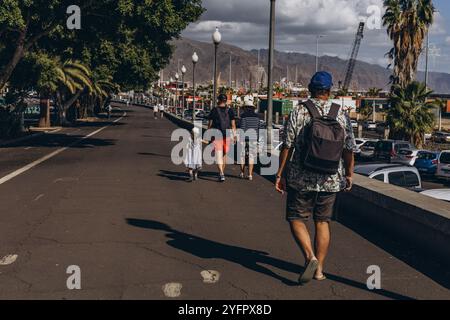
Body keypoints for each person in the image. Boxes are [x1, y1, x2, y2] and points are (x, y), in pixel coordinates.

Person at [275, 71, 356, 285]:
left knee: (296, 218)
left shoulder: (300, 111)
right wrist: (349, 173)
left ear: (310, 89)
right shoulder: (341, 114)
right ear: (329, 90)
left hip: (301, 177)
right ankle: (319, 270)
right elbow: (349, 149)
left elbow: (287, 145)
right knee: (322, 222)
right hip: (330, 178)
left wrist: (280, 173)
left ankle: (309, 257)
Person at [207, 94, 237, 182]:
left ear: (218, 100)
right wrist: (234, 135)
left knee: (218, 155)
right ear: (226, 100)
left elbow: (210, 124)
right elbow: (233, 125)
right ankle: (222, 173)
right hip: (227, 134)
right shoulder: (230, 110)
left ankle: (221, 173)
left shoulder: (214, 110)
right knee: (224, 155)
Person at [239, 95, 261, 181]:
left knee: (242, 155)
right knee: (252, 157)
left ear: (245, 107)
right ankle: (250, 175)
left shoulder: (243, 116)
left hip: (244, 138)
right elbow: (259, 128)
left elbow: (242, 128)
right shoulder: (257, 117)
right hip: (254, 139)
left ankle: (242, 172)